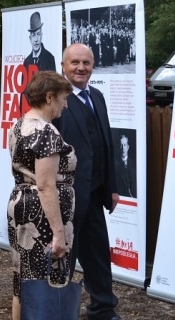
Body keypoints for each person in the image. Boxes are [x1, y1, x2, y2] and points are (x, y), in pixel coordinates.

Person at [52, 43, 121, 320]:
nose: (81, 68)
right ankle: (58, 312)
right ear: (63, 66)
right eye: (75, 63)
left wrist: (112, 187)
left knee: (98, 257)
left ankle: (103, 309)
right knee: (64, 260)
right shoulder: (55, 101)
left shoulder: (98, 97)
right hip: (66, 198)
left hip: (94, 195)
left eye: (86, 63)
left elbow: (107, 146)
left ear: (93, 66)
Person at [7, 71, 75, 320]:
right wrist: (59, 235)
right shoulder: (46, 132)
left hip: (23, 207)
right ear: (49, 97)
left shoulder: (19, 125)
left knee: (24, 282)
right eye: (63, 98)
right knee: (44, 281)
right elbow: (47, 186)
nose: (65, 105)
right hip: (42, 217)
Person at [114, 134, 136, 198]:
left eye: (125, 145)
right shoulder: (114, 165)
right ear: (118, 147)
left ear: (128, 147)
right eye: (121, 145)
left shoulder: (134, 164)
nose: (123, 148)